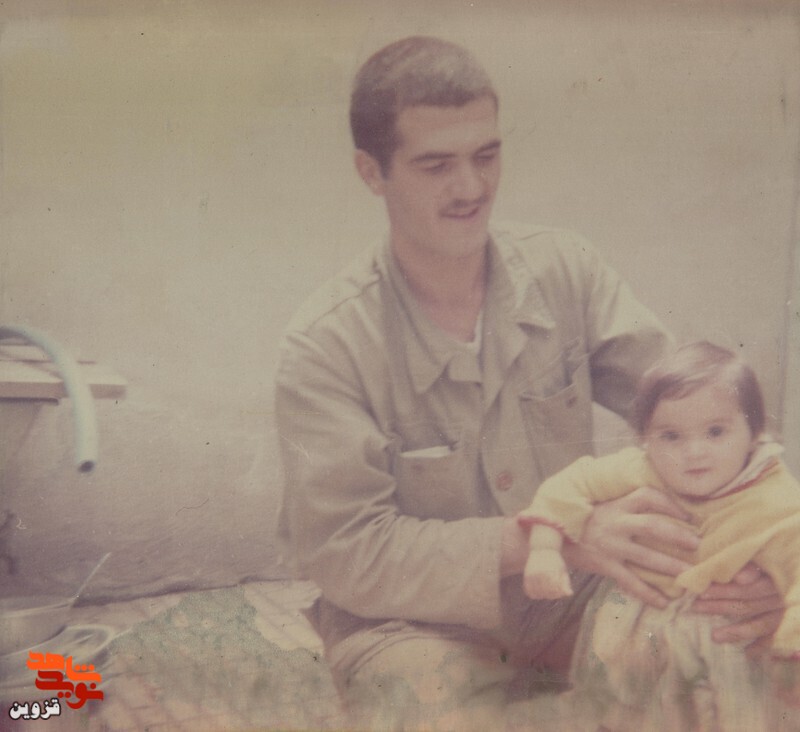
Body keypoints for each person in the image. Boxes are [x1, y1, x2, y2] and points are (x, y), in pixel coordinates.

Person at [274, 36, 783, 730]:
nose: (471, 188)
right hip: (407, 626)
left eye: (486, 155)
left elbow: (706, 410)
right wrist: (559, 537)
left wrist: (762, 559)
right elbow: (349, 554)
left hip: (574, 593)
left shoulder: (564, 271)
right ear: (372, 172)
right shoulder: (327, 346)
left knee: (729, 647)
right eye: (436, 165)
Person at [520, 341, 800, 730]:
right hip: (637, 633)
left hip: (724, 642)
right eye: (671, 436)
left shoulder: (773, 498)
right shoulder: (641, 469)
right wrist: (545, 548)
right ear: (646, 439)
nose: (694, 452)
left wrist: (792, 650)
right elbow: (570, 484)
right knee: (622, 714)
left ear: (754, 432)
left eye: (716, 432)